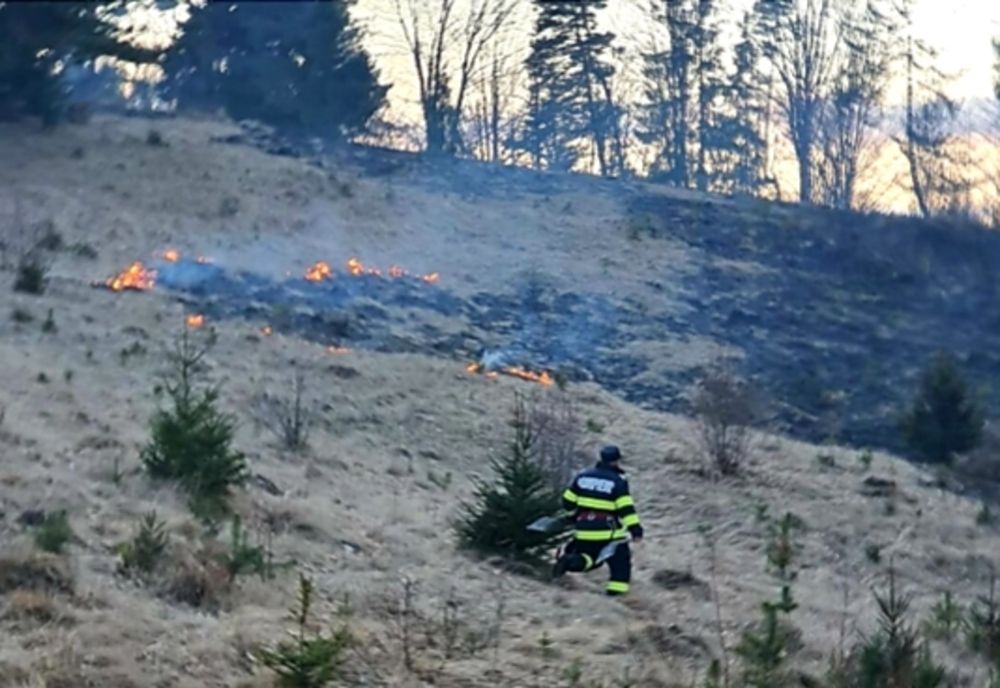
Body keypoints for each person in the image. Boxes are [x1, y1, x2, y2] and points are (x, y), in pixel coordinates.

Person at [552, 445, 643, 596]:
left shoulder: (583, 476)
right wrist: (635, 530)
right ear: (616, 460)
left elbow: (567, 503)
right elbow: (625, 509)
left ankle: (568, 562)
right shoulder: (618, 481)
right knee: (620, 561)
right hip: (608, 532)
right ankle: (616, 594)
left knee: (588, 558)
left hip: (583, 530)